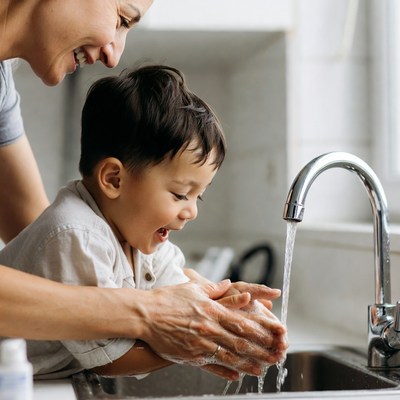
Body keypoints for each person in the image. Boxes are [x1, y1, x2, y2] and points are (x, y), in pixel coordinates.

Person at [0, 0, 286, 381]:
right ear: (114, 180)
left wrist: (218, 303)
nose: (114, 55)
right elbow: (110, 352)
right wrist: (191, 341)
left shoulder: (126, 232)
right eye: (121, 18)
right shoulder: (77, 231)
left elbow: (30, 232)